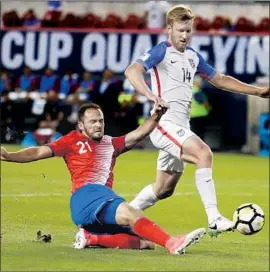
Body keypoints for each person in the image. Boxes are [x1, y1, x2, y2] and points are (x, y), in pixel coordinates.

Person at [124, 4, 270, 237]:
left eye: (188, 31)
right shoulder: (161, 51)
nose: (184, 36)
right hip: (163, 124)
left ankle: (121, 217)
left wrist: (258, 91)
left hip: (180, 127)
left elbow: (220, 79)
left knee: (163, 189)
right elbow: (132, 70)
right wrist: (151, 95)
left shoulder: (192, 56)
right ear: (168, 29)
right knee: (204, 153)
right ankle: (214, 218)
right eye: (180, 30)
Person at [0, 102, 206, 255]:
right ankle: (172, 243)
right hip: (86, 195)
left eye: (101, 121)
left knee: (145, 242)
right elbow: (37, 152)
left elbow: (136, 135)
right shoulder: (72, 140)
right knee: (130, 212)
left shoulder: (111, 143)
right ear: (81, 125)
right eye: (93, 121)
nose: (98, 125)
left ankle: (91, 238)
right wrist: (9, 156)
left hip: (98, 204)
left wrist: (155, 116)